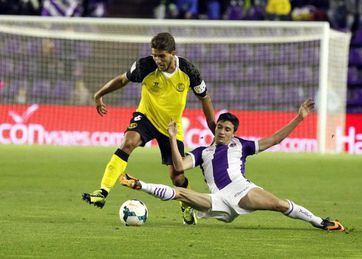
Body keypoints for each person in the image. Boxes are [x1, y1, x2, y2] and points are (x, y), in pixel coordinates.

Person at [119, 99, 345, 231]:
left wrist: (299, 118)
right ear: (215, 128)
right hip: (217, 200)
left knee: (280, 204)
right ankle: (139, 184)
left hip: (242, 191)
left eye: (227, 129)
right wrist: (171, 137)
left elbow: (274, 139)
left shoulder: (242, 146)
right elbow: (178, 165)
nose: (222, 132)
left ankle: (321, 222)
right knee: (181, 193)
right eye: (220, 128)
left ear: (233, 132)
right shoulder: (202, 153)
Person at [82, 32, 216, 225]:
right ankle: (102, 192)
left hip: (171, 127)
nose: (157, 60)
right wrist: (99, 94)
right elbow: (122, 80)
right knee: (128, 143)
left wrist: (214, 131)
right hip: (146, 116)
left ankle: (186, 204)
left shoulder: (188, 71)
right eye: (154, 55)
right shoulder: (144, 66)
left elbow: (205, 99)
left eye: (162, 56)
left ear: (172, 53)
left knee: (177, 177)